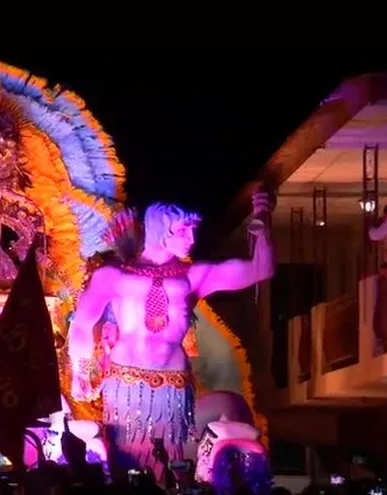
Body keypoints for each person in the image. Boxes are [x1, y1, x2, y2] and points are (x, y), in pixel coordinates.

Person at [67, 191, 274, 478]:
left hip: (175, 389)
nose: (191, 240)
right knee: (129, 464)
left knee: (175, 461)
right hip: (126, 388)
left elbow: (260, 270)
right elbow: (81, 324)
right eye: (184, 231)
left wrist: (263, 221)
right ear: (162, 232)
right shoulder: (113, 277)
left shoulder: (193, 277)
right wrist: (81, 370)